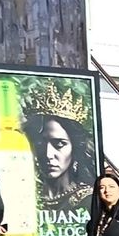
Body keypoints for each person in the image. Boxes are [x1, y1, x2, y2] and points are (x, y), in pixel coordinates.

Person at [22, 82, 95, 215]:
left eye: (59, 144)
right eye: (40, 144)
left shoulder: (88, 201)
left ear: (75, 147)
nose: (48, 154)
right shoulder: (25, 196)